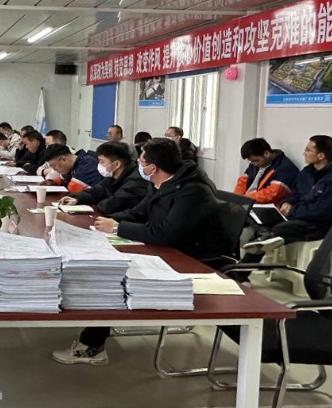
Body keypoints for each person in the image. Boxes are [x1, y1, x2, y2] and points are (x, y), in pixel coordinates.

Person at [52, 138, 227, 366]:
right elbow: (138, 212)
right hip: (165, 248)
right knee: (107, 266)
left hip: (193, 257)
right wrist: (103, 223)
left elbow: (165, 233)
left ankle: (92, 347)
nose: (139, 167)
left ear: (153, 168)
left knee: (111, 278)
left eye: (142, 163)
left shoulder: (192, 191)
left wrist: (118, 228)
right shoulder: (162, 183)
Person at [242, 135, 332, 254]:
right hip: (297, 215)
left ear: (321, 156)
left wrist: (292, 211)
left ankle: (250, 259)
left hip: (318, 225)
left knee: (278, 229)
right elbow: (296, 193)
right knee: (260, 221)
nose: (304, 153)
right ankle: (246, 258)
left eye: (308, 150)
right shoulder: (307, 172)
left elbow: (321, 212)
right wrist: (287, 202)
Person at [59, 141, 148, 215]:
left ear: (117, 164)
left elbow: (111, 206)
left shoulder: (136, 181)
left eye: (102, 162)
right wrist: (76, 198)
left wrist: (95, 203)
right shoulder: (113, 175)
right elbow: (96, 191)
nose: (99, 165)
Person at [234, 138, 299, 204]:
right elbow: (242, 182)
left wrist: (244, 200)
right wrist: (236, 199)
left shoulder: (285, 168)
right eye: (251, 161)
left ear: (266, 153)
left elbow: (271, 194)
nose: (254, 164)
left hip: (268, 206)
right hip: (250, 202)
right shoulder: (256, 163)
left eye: (256, 160)